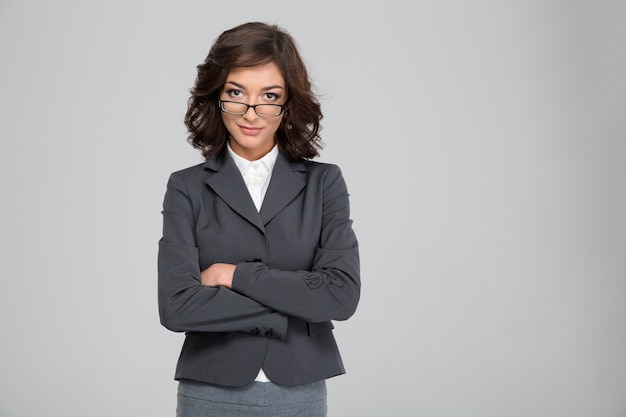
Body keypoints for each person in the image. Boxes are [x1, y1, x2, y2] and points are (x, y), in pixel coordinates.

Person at [157, 21, 360, 417]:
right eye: (236, 93)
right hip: (210, 391)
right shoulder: (186, 188)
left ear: (288, 104)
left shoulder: (324, 183)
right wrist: (290, 309)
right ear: (216, 97)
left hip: (299, 390)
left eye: (269, 95)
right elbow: (177, 306)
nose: (251, 113)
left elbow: (341, 295)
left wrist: (233, 276)